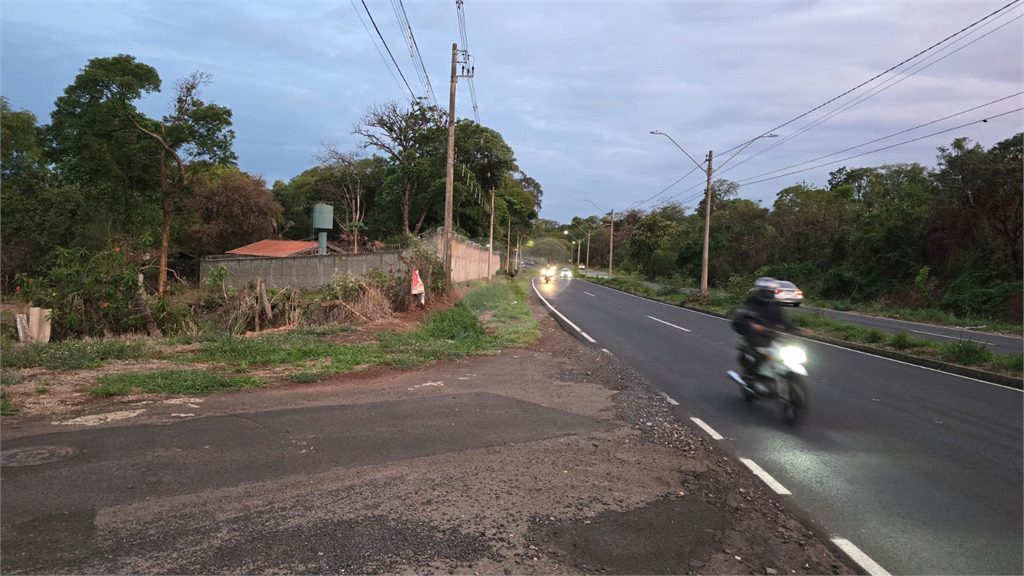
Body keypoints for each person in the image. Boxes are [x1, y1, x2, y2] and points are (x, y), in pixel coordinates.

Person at [739, 277, 805, 387]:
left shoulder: (775, 305)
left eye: (771, 291)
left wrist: (797, 329)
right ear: (761, 290)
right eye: (766, 291)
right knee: (759, 354)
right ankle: (751, 377)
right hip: (756, 336)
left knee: (785, 352)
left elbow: (784, 320)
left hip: (772, 335)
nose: (769, 293)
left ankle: (775, 375)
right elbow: (746, 316)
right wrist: (753, 325)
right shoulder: (753, 303)